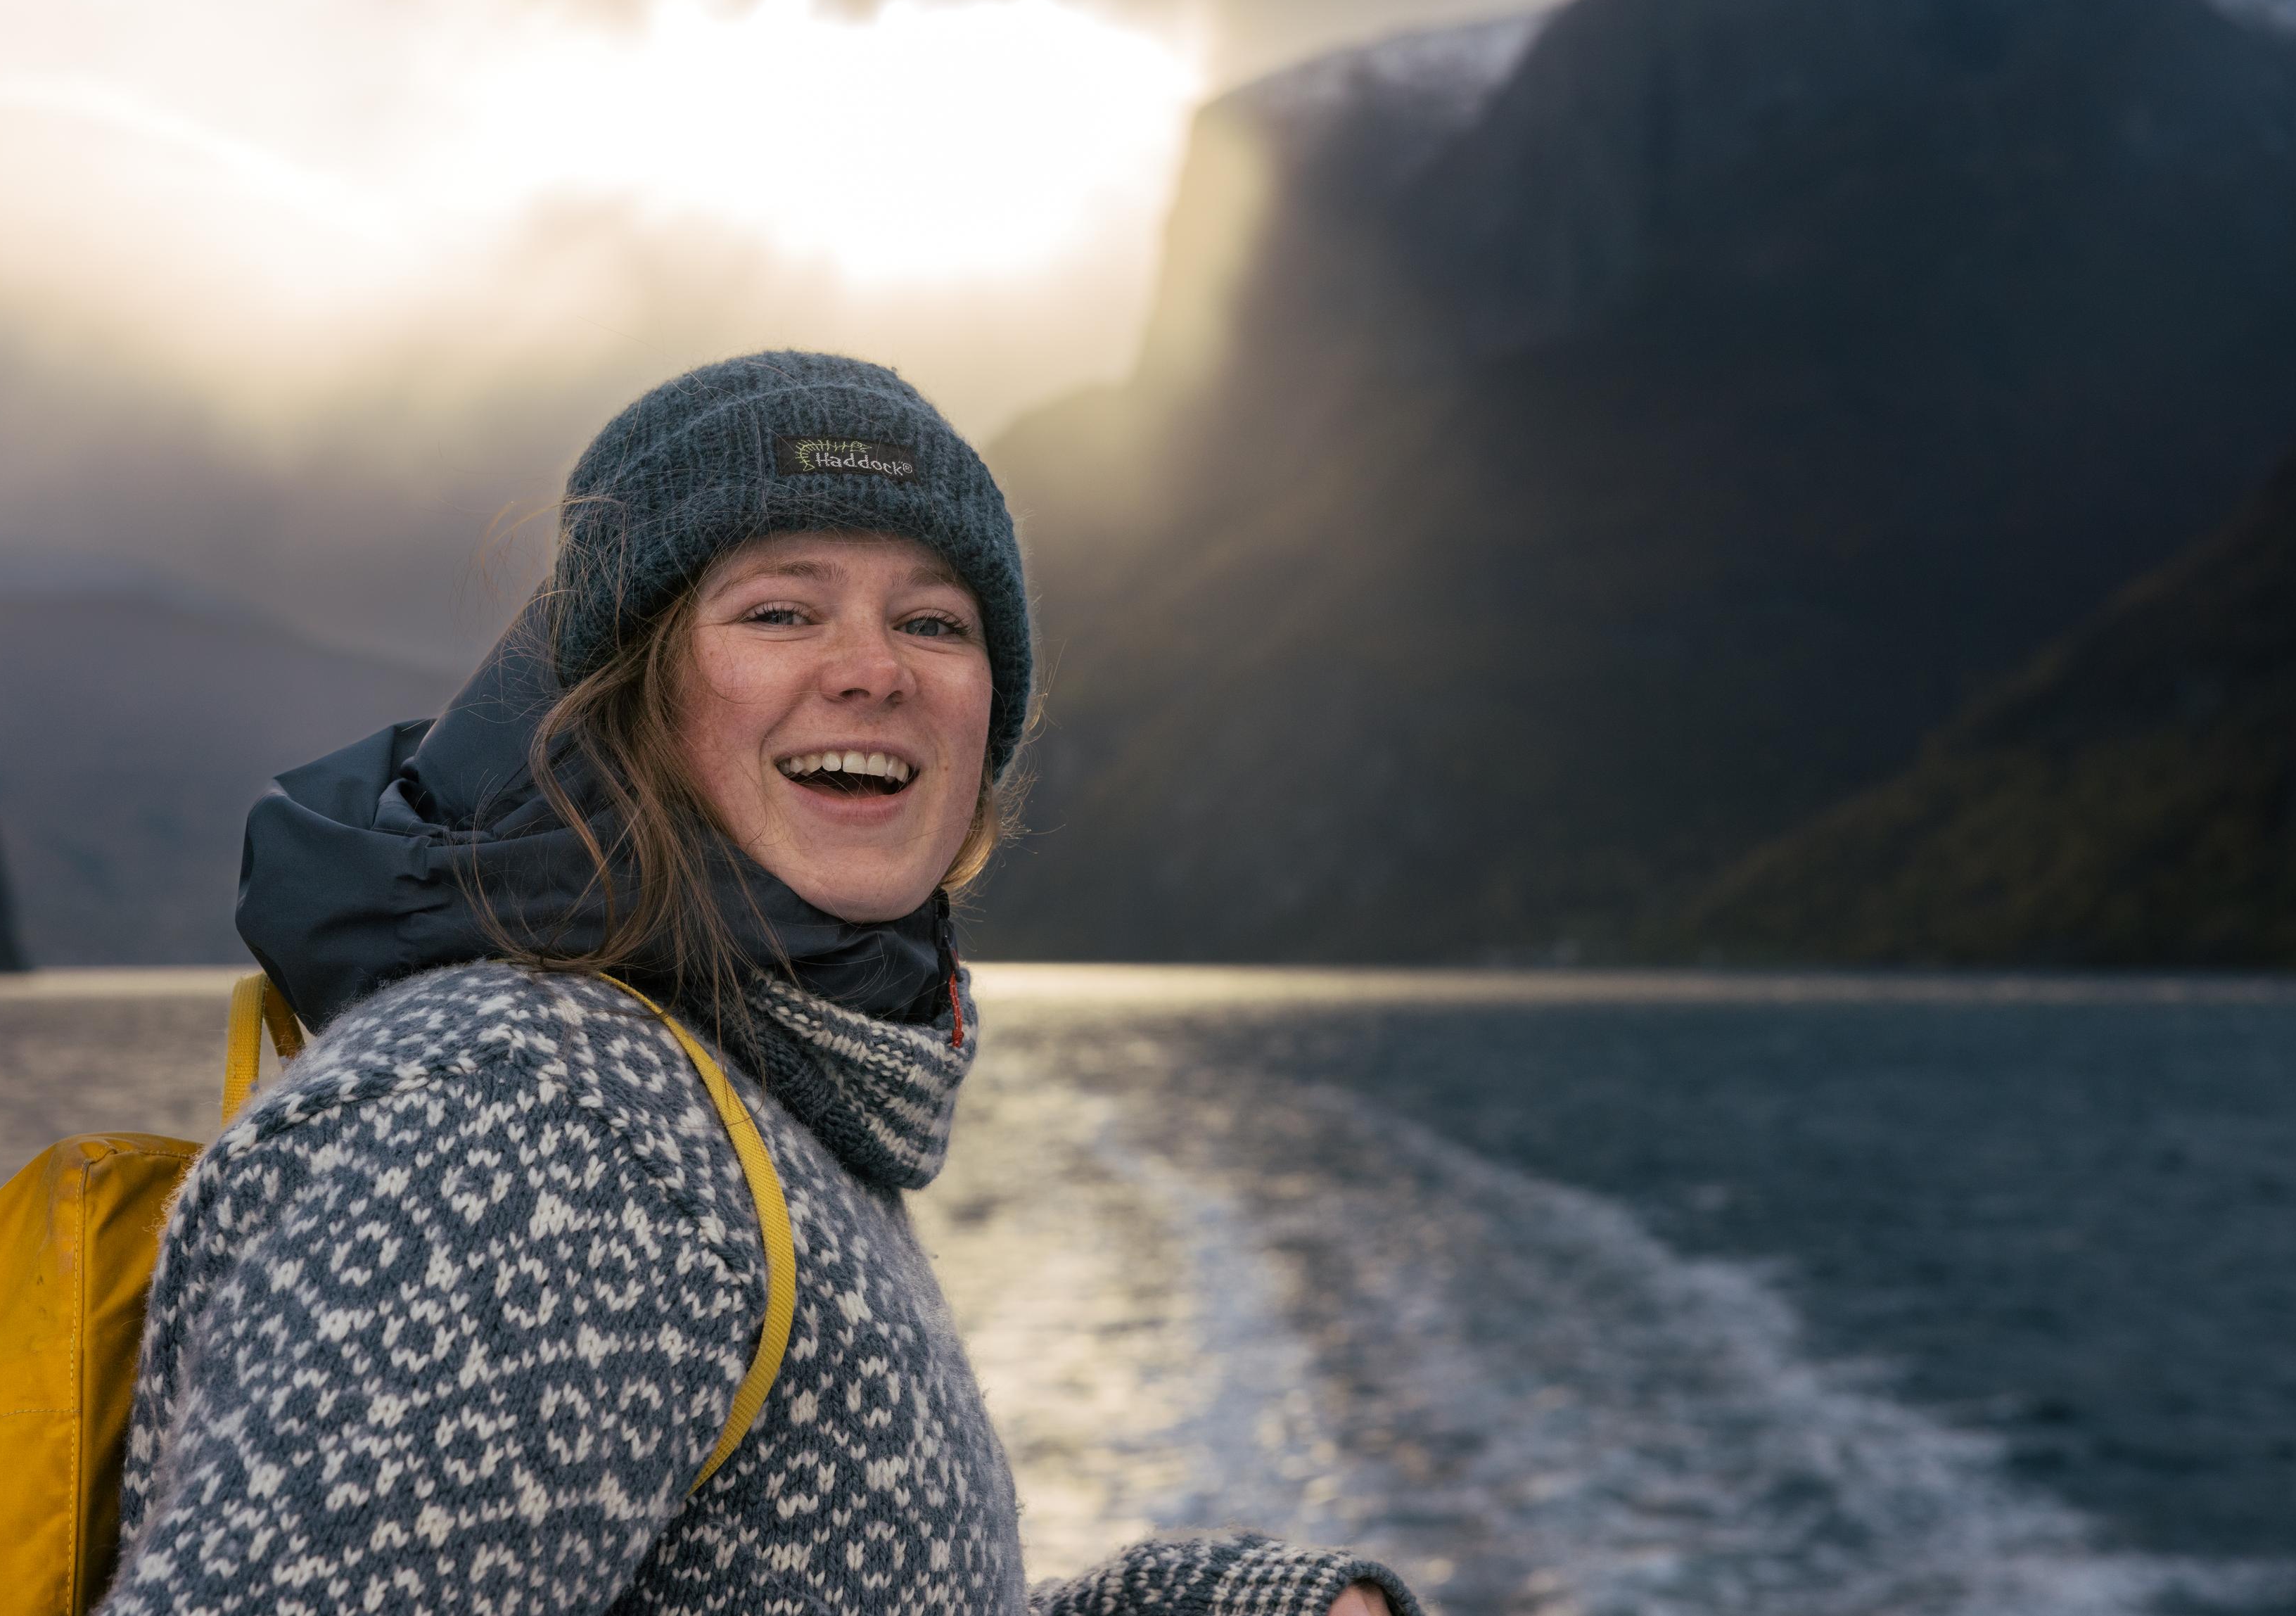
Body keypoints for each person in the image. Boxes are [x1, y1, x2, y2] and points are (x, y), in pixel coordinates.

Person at [98, 352, 1418, 1616]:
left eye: (934, 621)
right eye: (782, 609)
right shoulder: (544, 1122)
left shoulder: (738, 1087)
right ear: (625, 697)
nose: (874, 667)